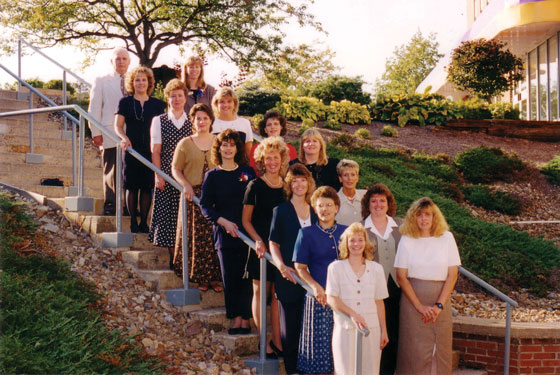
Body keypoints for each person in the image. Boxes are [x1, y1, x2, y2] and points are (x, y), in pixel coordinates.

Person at [394, 197, 461, 374]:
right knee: (413, 352)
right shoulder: (407, 239)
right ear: (413, 218)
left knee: (440, 351)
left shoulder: (447, 238)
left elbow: (452, 274)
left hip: (441, 302)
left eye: (428, 215)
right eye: (419, 215)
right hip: (413, 303)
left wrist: (439, 305)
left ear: (434, 217)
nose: (424, 219)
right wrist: (420, 307)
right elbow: (401, 277)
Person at [200, 129, 255, 334]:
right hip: (224, 235)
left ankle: (246, 319)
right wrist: (223, 222)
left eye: (232, 145)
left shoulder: (248, 173)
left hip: (247, 234)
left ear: (237, 148)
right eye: (225, 144)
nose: (228, 148)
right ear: (219, 148)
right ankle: (236, 318)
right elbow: (205, 206)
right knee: (230, 278)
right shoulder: (212, 176)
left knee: (246, 278)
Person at [242, 136, 289, 359]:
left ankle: (278, 341)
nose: (272, 162)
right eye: (267, 158)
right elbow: (245, 220)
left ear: (282, 160)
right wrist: (257, 241)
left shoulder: (288, 188)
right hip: (260, 248)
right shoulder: (255, 185)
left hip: (282, 249)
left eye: (276, 158)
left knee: (277, 295)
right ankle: (263, 341)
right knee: (260, 292)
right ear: (261, 160)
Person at [269, 163, 317, 375]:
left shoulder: (317, 211)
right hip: (289, 277)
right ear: (289, 184)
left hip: (314, 279)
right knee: (290, 327)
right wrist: (280, 265)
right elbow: (274, 242)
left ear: (309, 183)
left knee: (310, 328)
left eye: (303, 180)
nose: (299, 184)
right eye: (295, 181)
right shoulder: (280, 211)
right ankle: (291, 370)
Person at [293, 186, 347, 374]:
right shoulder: (306, 234)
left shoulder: (346, 232)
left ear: (336, 208)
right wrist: (315, 287)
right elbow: (300, 268)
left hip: (343, 298)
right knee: (319, 350)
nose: (325, 209)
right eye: (320, 205)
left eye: (329, 205)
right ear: (315, 209)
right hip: (319, 298)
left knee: (342, 348)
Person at [326, 222, 389, 375]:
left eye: (360, 240)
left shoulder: (376, 269)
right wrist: (353, 314)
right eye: (352, 240)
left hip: (371, 329)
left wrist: (384, 331)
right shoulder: (335, 268)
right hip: (345, 329)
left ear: (366, 243)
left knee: (370, 370)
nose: (356, 244)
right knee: (345, 371)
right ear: (346, 244)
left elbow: (379, 301)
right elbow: (331, 299)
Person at [171, 104, 222, 291]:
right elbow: (175, 169)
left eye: (205, 118)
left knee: (214, 236)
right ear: (193, 121)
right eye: (198, 118)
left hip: (215, 196)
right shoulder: (185, 143)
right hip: (193, 195)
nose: (201, 122)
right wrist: (185, 185)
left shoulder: (218, 141)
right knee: (197, 238)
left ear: (211, 120)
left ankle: (215, 277)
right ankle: (200, 277)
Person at [115, 66, 165, 232]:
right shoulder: (125, 102)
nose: (141, 83)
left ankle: (144, 222)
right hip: (131, 149)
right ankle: (132, 223)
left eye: (144, 80)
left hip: (150, 150)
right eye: (137, 80)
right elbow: (118, 126)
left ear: (149, 82)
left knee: (146, 186)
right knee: (131, 186)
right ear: (132, 82)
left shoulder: (157, 105)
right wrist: (124, 138)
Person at [148, 79, 192, 263]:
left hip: (188, 175)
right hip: (166, 173)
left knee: (187, 219)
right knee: (168, 220)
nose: (176, 99)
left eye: (180, 96)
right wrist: (158, 175)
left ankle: (186, 259)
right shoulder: (159, 121)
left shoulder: (193, 120)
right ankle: (176, 260)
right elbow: (156, 151)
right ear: (167, 98)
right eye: (173, 96)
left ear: (185, 98)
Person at [362, 183, 403, 375]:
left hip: (396, 287)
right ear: (368, 204)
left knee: (393, 333)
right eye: (373, 201)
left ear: (388, 204)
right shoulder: (361, 228)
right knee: (377, 332)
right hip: (372, 290)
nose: (378, 205)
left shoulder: (400, 227)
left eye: (382, 201)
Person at [88, 47, 131, 215]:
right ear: (112, 61)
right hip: (108, 132)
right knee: (111, 170)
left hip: (130, 133)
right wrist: (95, 132)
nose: (121, 61)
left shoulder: (134, 80)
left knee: (128, 170)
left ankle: (128, 205)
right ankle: (111, 204)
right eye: (118, 58)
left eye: (124, 59)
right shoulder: (101, 80)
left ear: (129, 62)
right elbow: (94, 107)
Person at [211, 87, 253, 158]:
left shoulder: (244, 123)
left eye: (229, 101)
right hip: (216, 167)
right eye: (222, 102)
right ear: (216, 104)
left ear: (235, 103)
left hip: (240, 167)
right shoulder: (211, 123)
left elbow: (249, 152)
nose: (225, 105)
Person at [335, 159, 366, 226]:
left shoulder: (366, 196)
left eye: (353, 175)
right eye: (345, 175)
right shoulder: (334, 200)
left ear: (357, 178)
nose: (350, 178)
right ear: (340, 178)